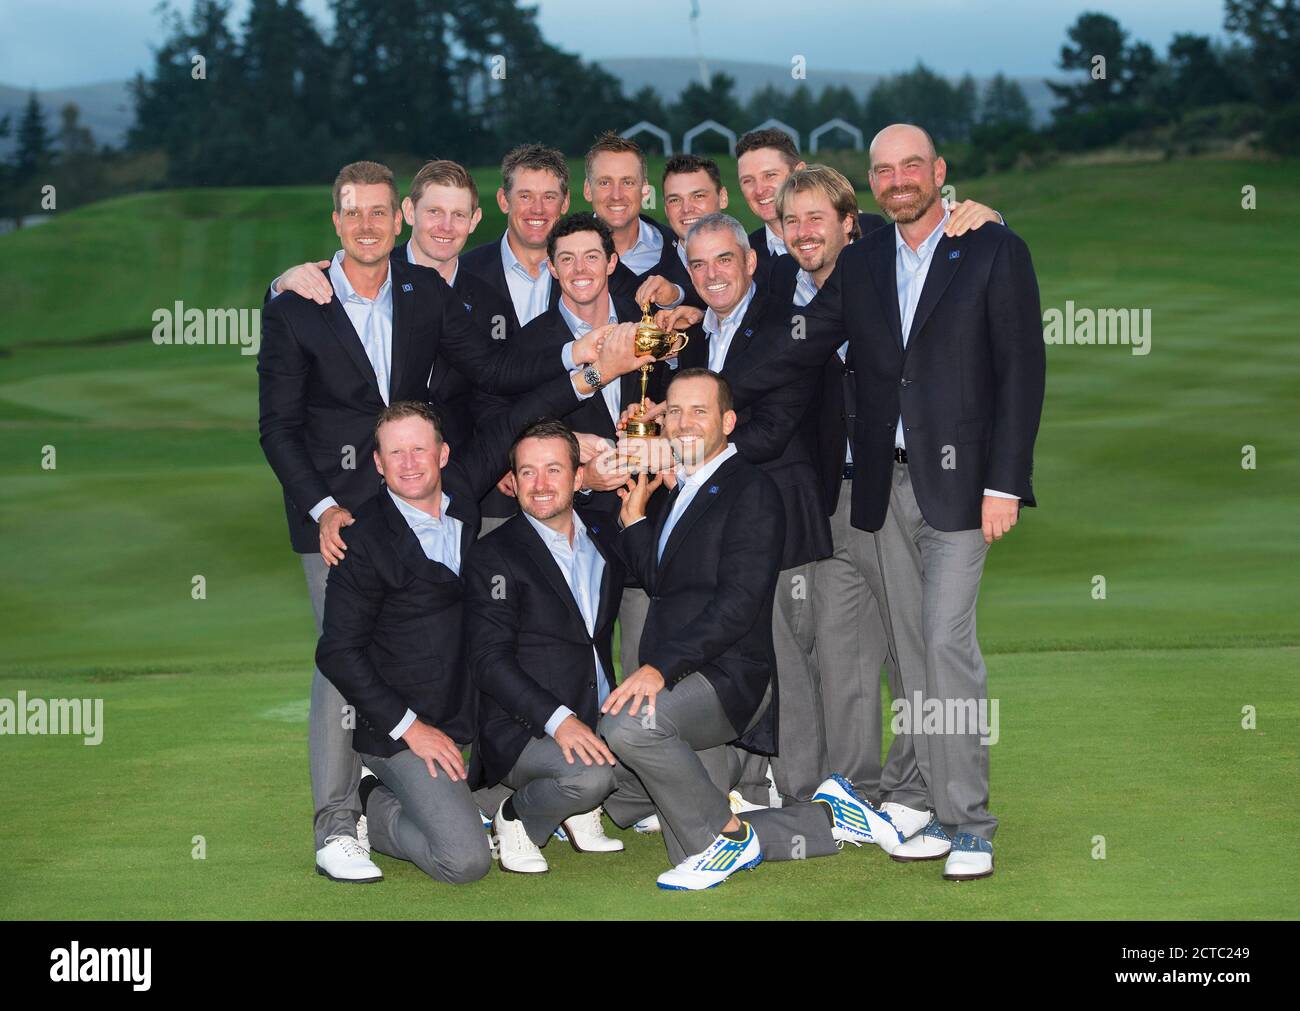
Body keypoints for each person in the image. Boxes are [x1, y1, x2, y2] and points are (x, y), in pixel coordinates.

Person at [257, 159, 616, 882]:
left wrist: (580, 366)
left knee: (446, 636)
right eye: (352, 212)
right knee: (341, 659)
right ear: (337, 222)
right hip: (338, 514)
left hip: (420, 494)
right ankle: (338, 821)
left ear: (398, 223)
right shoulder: (298, 304)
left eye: (378, 213)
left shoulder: (423, 292)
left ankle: (448, 784)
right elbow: (278, 427)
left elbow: (494, 369)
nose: (366, 224)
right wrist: (324, 507)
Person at [729, 124, 1047, 881]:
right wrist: (704, 376)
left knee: (944, 644)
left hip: (965, 489)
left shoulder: (994, 249)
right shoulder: (866, 258)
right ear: (872, 184)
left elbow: (1021, 370)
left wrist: (1007, 481)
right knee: (911, 654)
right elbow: (804, 342)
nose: (899, 178)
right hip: (881, 488)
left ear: (939, 172)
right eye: (884, 169)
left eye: (912, 165)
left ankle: (970, 821)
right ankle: (933, 803)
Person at [314, 335, 648, 884]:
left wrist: (597, 374)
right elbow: (338, 651)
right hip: (408, 730)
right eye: (395, 453)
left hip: (473, 722)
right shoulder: (363, 540)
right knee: (464, 861)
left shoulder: (463, 501)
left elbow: (519, 417)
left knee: (581, 775)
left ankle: (479, 801)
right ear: (376, 464)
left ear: (444, 455)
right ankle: (373, 808)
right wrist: (410, 728)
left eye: (421, 449)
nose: (410, 463)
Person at [463, 419, 628, 873]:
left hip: (595, 708)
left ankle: (575, 809)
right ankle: (514, 817)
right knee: (593, 775)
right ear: (512, 483)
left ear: (578, 478)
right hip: (523, 727)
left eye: (553, 470)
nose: (540, 485)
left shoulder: (605, 536)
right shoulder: (492, 555)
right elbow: (489, 663)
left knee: (661, 750)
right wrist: (561, 723)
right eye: (528, 472)